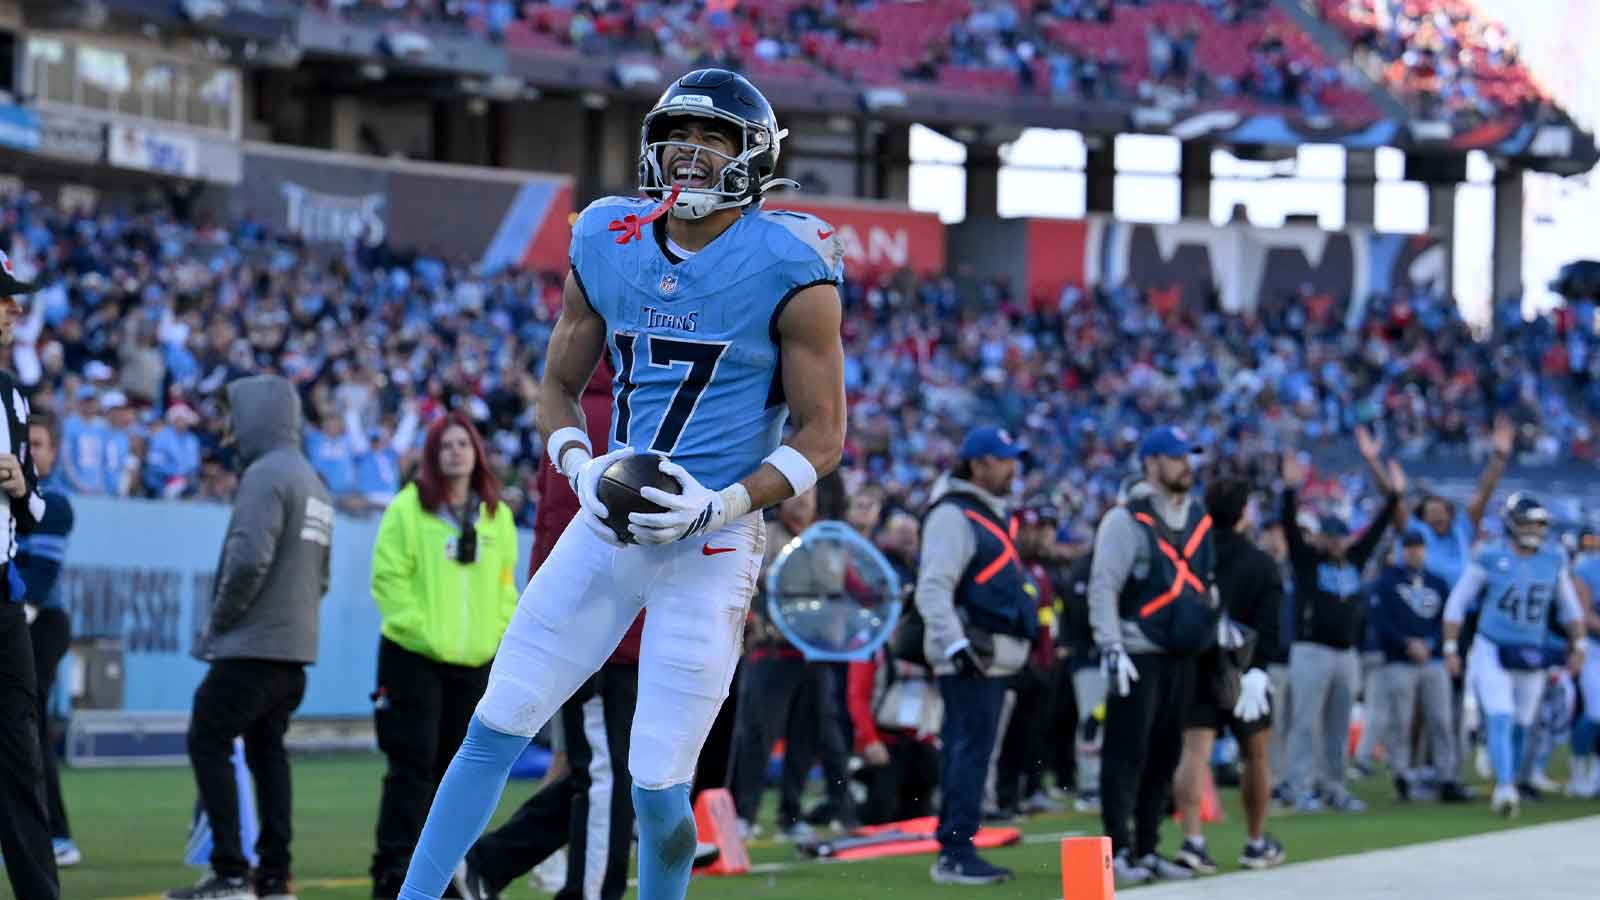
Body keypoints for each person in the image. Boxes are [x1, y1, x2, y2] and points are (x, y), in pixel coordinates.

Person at [396, 67, 848, 900]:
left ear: (752, 156)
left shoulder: (792, 257)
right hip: (608, 520)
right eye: (680, 132)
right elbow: (557, 388)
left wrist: (723, 501)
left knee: (655, 783)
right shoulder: (607, 236)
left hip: (710, 536)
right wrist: (584, 465)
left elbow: (825, 436)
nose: (691, 150)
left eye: (714, 137)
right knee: (495, 724)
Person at [455, 361, 681, 900]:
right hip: (615, 634)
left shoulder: (578, 414)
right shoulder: (624, 416)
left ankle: (485, 866)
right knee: (606, 774)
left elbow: (556, 535)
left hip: (596, 628)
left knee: (595, 771)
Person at [166, 374, 334, 900]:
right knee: (268, 753)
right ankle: (274, 876)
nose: (230, 431)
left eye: (235, 417)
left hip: (254, 645)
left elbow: (246, 561)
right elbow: (322, 577)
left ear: (256, 417)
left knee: (207, 736)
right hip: (294, 649)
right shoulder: (313, 480)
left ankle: (231, 873)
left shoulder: (265, 476)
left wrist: (218, 623)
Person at [369, 412, 519, 896]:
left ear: (476, 452)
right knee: (410, 770)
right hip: (412, 658)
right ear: (432, 455)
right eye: (446, 445)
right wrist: (423, 631)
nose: (455, 451)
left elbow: (504, 587)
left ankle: (446, 876)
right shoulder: (408, 509)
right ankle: (393, 871)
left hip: (472, 665)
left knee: (456, 776)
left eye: (463, 443)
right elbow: (387, 579)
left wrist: (492, 636)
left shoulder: (496, 515)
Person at [1089, 428, 1219, 885]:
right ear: (1151, 462)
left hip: (1181, 652)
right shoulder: (1125, 519)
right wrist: (1111, 646)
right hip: (1138, 650)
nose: (1187, 465)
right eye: (1176, 457)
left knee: (1165, 755)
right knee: (1126, 755)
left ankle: (1147, 846)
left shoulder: (1198, 516)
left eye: (1189, 457)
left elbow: (1206, 580)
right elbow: (1104, 585)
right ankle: (1117, 850)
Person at [914, 425, 1036, 885]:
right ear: (979, 464)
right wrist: (957, 646)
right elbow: (933, 588)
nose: (1013, 469)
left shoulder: (983, 512)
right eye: (1005, 460)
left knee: (971, 755)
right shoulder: (954, 514)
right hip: (972, 656)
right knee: (968, 754)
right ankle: (955, 851)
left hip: (984, 656)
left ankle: (956, 846)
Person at [1442, 493, 1587, 817]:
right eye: (1527, 522)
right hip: (1491, 646)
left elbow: (1569, 607)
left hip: (1530, 651)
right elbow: (1457, 602)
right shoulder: (1489, 555)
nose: (1533, 529)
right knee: (1501, 715)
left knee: (1522, 723)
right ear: (1511, 522)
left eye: (1538, 523)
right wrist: (1451, 647)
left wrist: (1579, 645)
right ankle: (1505, 787)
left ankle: (1512, 779)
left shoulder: (1553, 558)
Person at [1278, 434, 1401, 814]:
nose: (1334, 543)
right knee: (1304, 723)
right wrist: (1290, 490)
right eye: (1328, 536)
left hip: (1345, 653)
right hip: (1311, 650)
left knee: (1337, 724)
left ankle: (1334, 786)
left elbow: (1379, 529)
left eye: (1339, 536)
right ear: (1318, 537)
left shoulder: (1353, 561)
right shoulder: (1306, 562)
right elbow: (1288, 526)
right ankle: (1298, 787)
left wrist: (1394, 497)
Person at [1174, 477, 1285, 874]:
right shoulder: (1261, 562)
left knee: (1194, 754)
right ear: (1243, 513)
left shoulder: (1194, 556)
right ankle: (1255, 842)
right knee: (1255, 757)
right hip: (1244, 667)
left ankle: (1192, 840)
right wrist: (1259, 669)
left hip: (1200, 662)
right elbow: (1270, 627)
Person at [0, 252, 60, 900]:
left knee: (23, 759)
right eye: (4, 297)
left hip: (2, 596)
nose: (14, 308)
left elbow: (37, 509)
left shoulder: (13, 396)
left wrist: (20, 485)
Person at [17, 411, 77, 867]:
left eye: (40, 445)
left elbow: (42, 573)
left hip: (41, 622)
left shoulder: (54, 501)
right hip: (15, 620)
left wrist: (19, 617)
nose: (32, 451)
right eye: (27, 443)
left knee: (26, 725)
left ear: (53, 453)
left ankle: (57, 834)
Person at [1369, 531, 1464, 803]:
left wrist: (1432, 643)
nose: (1414, 552)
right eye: (1409, 547)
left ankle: (1447, 776)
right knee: (1400, 722)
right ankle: (1401, 775)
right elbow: (1380, 621)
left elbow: (1447, 618)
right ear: (1402, 550)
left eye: (1418, 547)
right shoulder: (1387, 582)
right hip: (1400, 660)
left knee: (1441, 720)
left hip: (1433, 659)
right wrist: (1406, 643)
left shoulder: (1437, 582)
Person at [1569, 529, 1600, 798]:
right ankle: (1579, 768)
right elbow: (1583, 614)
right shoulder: (1588, 567)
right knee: (1595, 712)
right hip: (1593, 648)